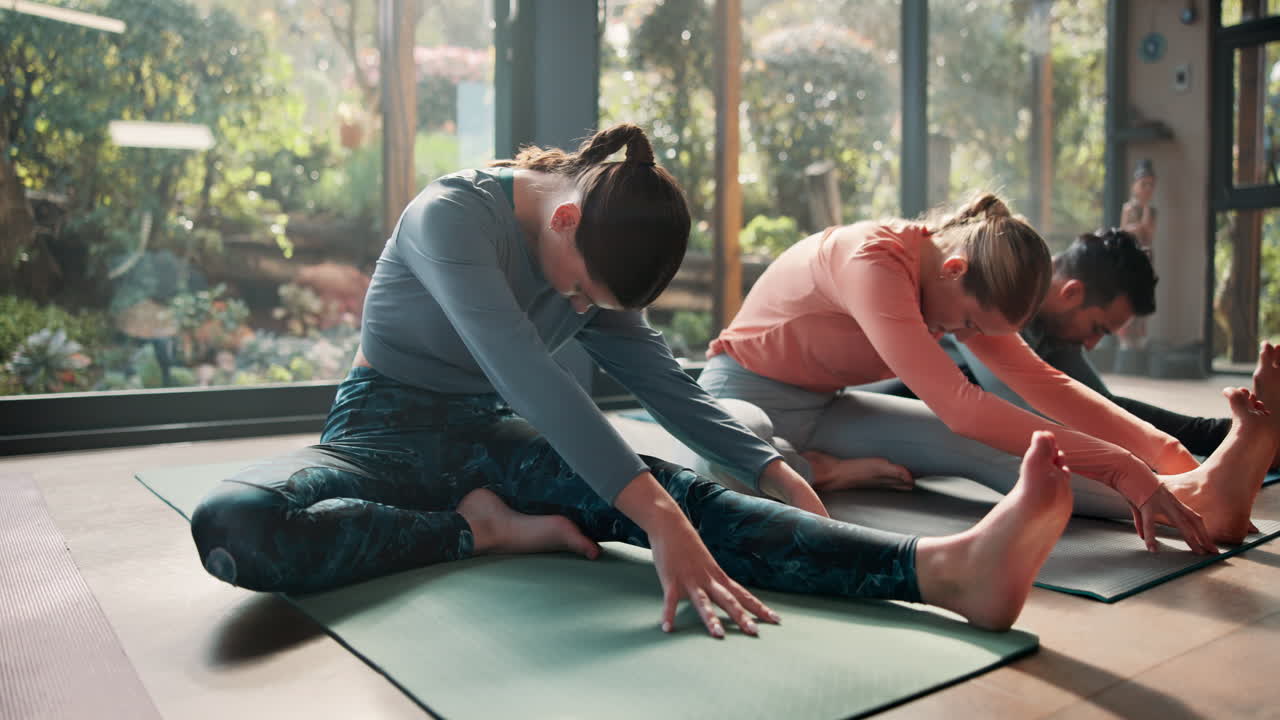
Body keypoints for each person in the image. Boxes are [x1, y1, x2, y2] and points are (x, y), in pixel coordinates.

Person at [187, 125, 1075, 635]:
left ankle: (944, 572)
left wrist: (773, 473)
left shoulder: (592, 238)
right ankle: (477, 535)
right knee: (237, 526)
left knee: (687, 498)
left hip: (488, 442)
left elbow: (665, 380)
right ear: (564, 219)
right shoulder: (452, 218)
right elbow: (532, 379)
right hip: (375, 438)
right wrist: (649, 515)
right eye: (576, 290)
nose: (574, 303)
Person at [699, 193, 1279, 550]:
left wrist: (1165, 455)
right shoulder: (872, 261)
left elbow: (1045, 384)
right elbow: (962, 404)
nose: (970, 336)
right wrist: (1124, 469)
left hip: (826, 408)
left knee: (1007, 450)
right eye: (973, 325)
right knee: (731, 455)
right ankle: (822, 472)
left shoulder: (958, 287)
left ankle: (1202, 501)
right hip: (740, 391)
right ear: (953, 270)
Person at [874, 228, 1280, 468]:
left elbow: (1102, 409)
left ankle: (1250, 436)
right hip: (899, 398)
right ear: (1072, 293)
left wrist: (1221, 436)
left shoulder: (1056, 333)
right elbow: (1025, 409)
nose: (1092, 343)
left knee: (1098, 411)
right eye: (1098, 327)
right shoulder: (1000, 296)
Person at [1117, 159, 1158, 349]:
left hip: (1146, 258)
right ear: (1135, 186)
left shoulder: (1151, 211)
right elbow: (1125, 230)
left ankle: (1140, 341)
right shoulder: (1129, 208)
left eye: (1151, 185)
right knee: (1127, 298)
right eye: (1144, 184)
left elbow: (1149, 232)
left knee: (1143, 299)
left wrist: (1146, 213)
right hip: (1129, 258)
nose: (1147, 189)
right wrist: (1140, 227)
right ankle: (1126, 341)